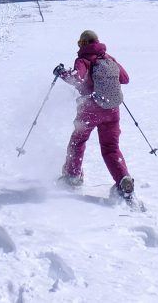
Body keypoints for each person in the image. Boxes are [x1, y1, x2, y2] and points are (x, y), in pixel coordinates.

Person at [52, 30, 135, 202]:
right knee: (111, 148)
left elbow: (77, 79)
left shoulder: (83, 60)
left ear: (83, 43)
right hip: (112, 110)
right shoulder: (108, 58)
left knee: (78, 141)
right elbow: (125, 78)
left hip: (90, 108)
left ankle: (72, 176)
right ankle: (123, 179)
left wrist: (61, 73)